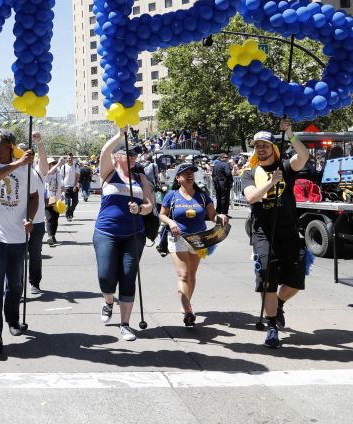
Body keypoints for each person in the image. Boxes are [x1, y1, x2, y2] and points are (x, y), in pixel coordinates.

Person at [240, 121, 309, 349]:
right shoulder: (249, 173)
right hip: (263, 235)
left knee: (295, 283)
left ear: (273, 148)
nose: (261, 148)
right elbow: (252, 198)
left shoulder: (286, 167)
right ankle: (271, 328)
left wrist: (290, 134)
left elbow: (304, 156)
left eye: (265, 144)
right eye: (257, 145)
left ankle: (279, 303)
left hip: (289, 233)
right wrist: (271, 182)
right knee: (268, 282)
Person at [0, 130, 38, 353]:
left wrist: (30, 218)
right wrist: (19, 163)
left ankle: (12, 320)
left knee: (15, 284)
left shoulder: (26, 169)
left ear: (10, 145)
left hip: (17, 236)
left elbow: (33, 196)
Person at [94, 129, 154, 341]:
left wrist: (140, 210)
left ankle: (125, 324)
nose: (132, 158)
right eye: (128, 154)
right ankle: (108, 302)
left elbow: (149, 205)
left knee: (128, 276)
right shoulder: (108, 173)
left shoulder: (140, 177)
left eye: (135, 155)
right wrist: (120, 135)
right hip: (106, 232)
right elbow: (104, 151)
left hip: (134, 234)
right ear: (117, 156)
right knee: (106, 275)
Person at [159, 163, 228, 327]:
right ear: (178, 178)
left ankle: (186, 303)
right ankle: (188, 310)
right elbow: (162, 215)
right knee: (183, 275)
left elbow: (212, 216)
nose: (190, 175)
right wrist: (170, 222)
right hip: (178, 238)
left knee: (191, 274)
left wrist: (221, 218)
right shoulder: (172, 195)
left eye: (192, 173)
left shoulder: (202, 196)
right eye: (185, 173)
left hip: (199, 239)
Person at [28, 132, 55, 294]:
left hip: (37, 222)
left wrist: (39, 143)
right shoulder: (12, 171)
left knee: (35, 254)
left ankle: (35, 283)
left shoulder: (38, 172)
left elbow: (44, 162)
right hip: (16, 223)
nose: (27, 156)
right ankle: (15, 285)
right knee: (16, 257)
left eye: (30, 154)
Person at [59, 156, 80, 221]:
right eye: (68, 158)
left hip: (74, 186)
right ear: (67, 159)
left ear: (73, 159)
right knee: (67, 202)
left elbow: (77, 176)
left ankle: (71, 211)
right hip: (66, 187)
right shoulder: (64, 166)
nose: (70, 159)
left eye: (71, 158)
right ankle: (68, 215)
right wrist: (61, 187)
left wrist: (75, 185)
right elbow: (61, 177)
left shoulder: (76, 166)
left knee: (75, 201)